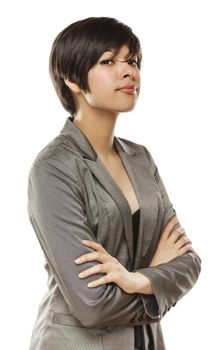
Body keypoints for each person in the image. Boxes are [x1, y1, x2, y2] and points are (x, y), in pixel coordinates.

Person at [27, 17, 201, 350]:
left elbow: (189, 263)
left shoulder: (141, 158)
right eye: (108, 61)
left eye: (132, 61)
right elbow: (91, 304)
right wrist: (157, 286)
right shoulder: (54, 167)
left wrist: (138, 279)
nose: (129, 72)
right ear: (72, 79)